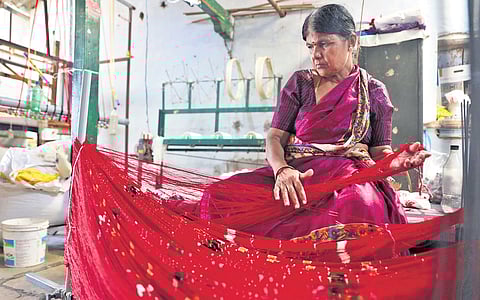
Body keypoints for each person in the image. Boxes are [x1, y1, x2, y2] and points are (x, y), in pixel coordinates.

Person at [198, 4, 430, 240]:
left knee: (359, 205)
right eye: (310, 46)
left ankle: (327, 269)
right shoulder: (300, 84)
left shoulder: (374, 92)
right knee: (218, 196)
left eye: (324, 44)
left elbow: (380, 152)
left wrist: (395, 162)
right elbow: (275, 137)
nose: (315, 54)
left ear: (351, 42)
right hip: (298, 179)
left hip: (347, 182)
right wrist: (282, 171)